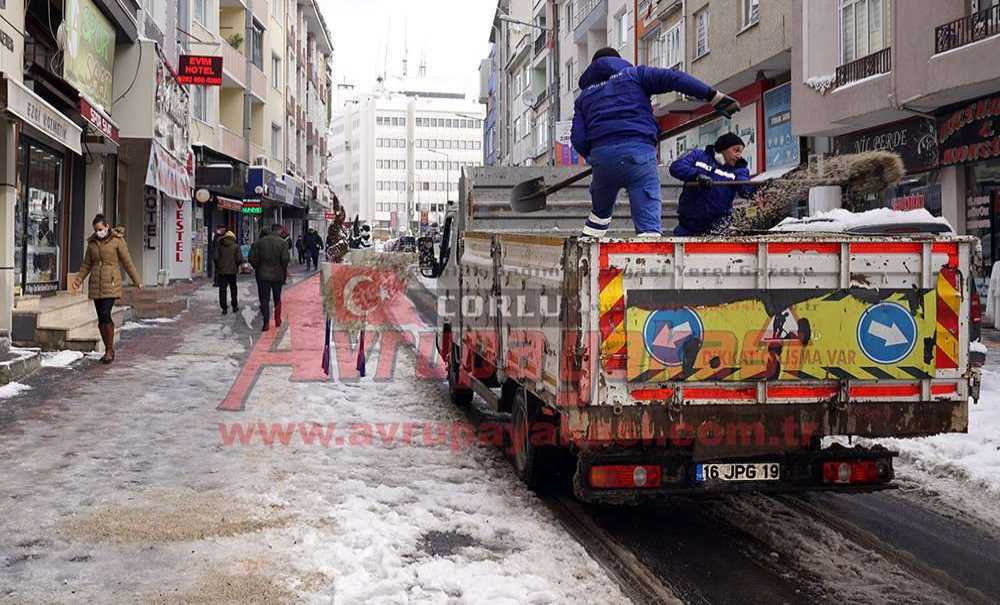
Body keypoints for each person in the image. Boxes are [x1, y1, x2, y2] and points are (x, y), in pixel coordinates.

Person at [570, 47, 740, 237]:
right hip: (639, 154)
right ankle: (647, 258)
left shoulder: (584, 97)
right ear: (618, 61)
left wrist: (596, 155)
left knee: (599, 216)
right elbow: (674, 78)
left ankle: (584, 257)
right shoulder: (635, 75)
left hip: (603, 158)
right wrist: (712, 96)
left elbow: (577, 138)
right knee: (648, 225)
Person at [73, 214, 142, 364]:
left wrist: (136, 280)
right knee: (101, 318)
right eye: (96, 230)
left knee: (105, 314)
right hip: (96, 284)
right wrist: (78, 280)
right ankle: (107, 349)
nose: (98, 232)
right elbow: (86, 264)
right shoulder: (92, 243)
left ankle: (109, 350)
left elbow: (127, 261)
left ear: (107, 226)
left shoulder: (117, 241)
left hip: (111, 283)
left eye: (100, 229)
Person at [669, 133, 755, 236]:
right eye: (736, 150)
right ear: (724, 148)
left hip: (718, 231)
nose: (738, 156)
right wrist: (696, 176)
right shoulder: (699, 156)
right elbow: (676, 167)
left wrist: (758, 188)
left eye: (740, 152)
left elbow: (745, 189)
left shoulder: (739, 169)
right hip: (687, 227)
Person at [249, 223, 290, 332]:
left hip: (262, 275)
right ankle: (277, 320)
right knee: (277, 297)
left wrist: (257, 267)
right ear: (279, 231)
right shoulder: (283, 243)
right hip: (278, 275)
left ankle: (266, 322)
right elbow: (285, 259)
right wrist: (283, 269)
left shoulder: (259, 242)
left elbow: (251, 258)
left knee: (264, 299)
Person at [213, 226, 242, 315]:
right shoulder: (236, 246)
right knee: (233, 288)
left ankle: (224, 308)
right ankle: (234, 306)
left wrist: (218, 266)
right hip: (232, 272)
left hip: (222, 272)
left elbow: (215, 257)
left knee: (222, 290)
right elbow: (239, 259)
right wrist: (236, 266)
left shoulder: (219, 245)